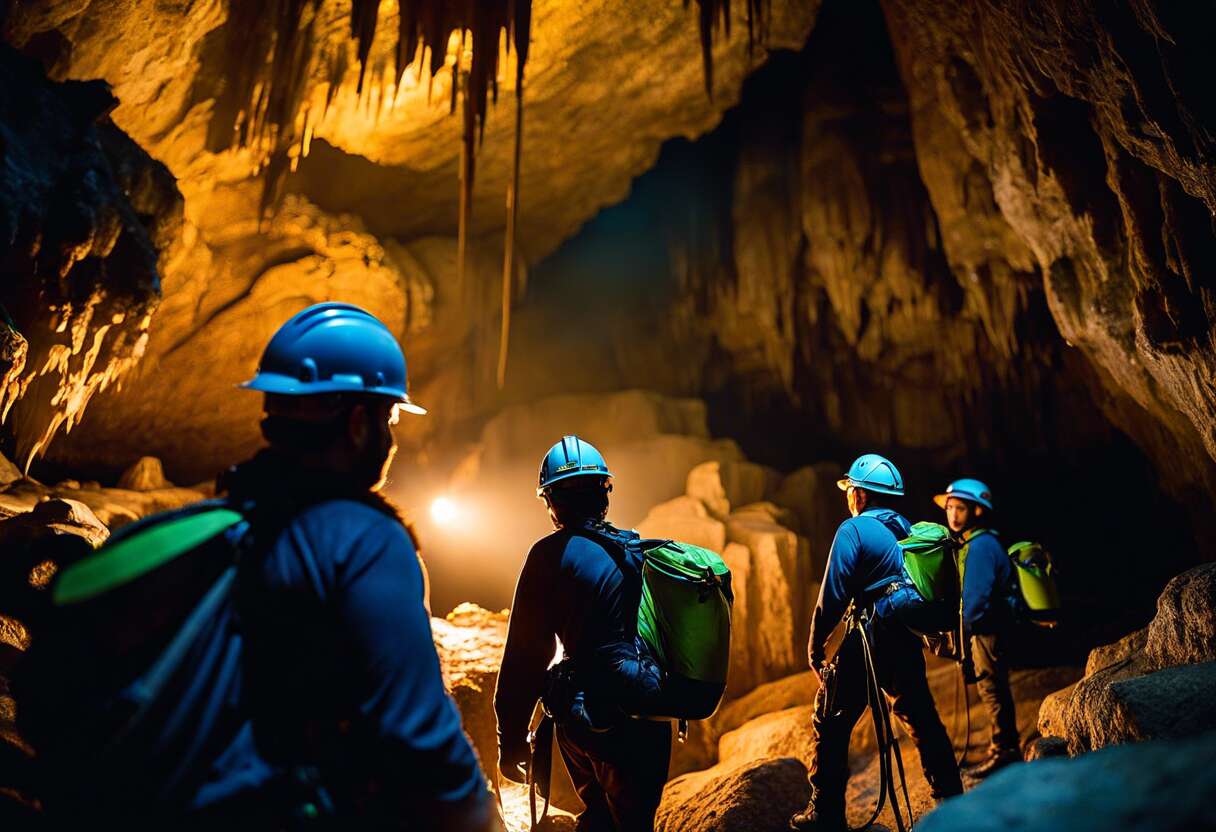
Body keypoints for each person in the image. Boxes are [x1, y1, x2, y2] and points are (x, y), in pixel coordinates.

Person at [200, 302, 500, 829]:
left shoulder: (215, 524)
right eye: (388, 418)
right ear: (360, 424)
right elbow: (422, 743)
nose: (391, 438)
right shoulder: (364, 541)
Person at [495, 435, 667, 832]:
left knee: (601, 817)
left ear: (551, 502)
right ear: (604, 493)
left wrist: (512, 737)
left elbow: (525, 657)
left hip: (590, 721)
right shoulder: (637, 551)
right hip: (648, 718)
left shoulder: (548, 556)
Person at [791, 454, 963, 831]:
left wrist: (815, 644)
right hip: (903, 635)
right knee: (920, 716)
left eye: (850, 489)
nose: (848, 496)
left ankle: (825, 812)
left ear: (862, 495)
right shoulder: (904, 528)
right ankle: (951, 797)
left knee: (831, 717)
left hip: (871, 633)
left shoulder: (853, 530)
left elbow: (832, 594)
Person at [936, 478, 1020, 778]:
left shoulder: (982, 545)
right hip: (987, 627)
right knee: (992, 686)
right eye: (950, 508)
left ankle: (1005, 750)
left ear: (977, 511)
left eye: (960, 508)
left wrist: (962, 634)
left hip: (988, 629)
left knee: (991, 687)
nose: (953, 515)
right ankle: (1002, 747)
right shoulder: (976, 541)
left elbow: (976, 597)